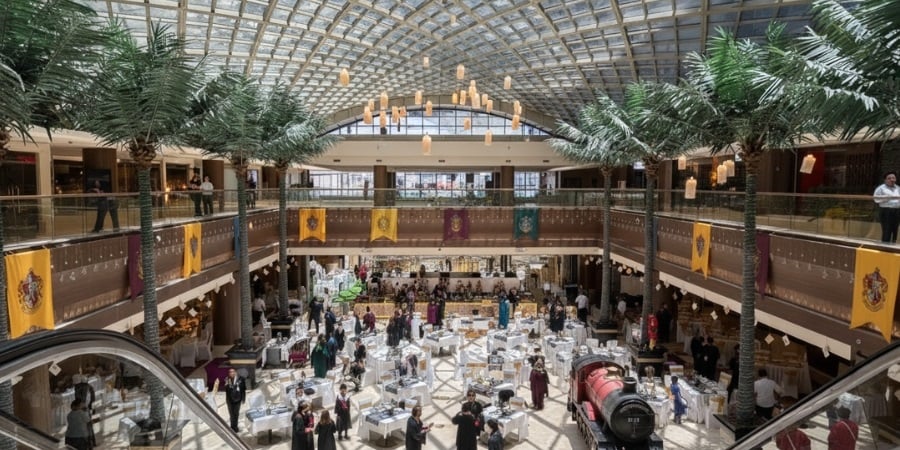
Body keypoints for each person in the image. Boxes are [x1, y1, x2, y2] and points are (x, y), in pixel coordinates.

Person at [874, 171, 900, 242]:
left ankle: (893, 244)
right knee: (887, 229)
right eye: (889, 178)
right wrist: (886, 197)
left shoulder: (898, 188)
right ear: (885, 180)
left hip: (897, 211)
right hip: (886, 211)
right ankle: (885, 245)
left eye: (893, 178)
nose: (892, 180)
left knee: (895, 229)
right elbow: (876, 199)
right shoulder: (881, 188)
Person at [73, 375, 96, 446]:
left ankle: (88, 443)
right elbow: (92, 399)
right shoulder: (89, 387)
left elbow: (80, 400)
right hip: (87, 408)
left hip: (83, 409)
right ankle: (92, 442)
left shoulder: (79, 388)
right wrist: (92, 408)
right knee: (89, 426)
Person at [224, 368, 246, 432]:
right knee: (231, 414)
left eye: (233, 372)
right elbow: (226, 390)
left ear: (235, 372)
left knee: (236, 413)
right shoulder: (227, 379)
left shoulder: (241, 379)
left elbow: (243, 389)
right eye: (230, 372)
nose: (231, 373)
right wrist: (226, 385)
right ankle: (232, 427)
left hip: (238, 399)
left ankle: (235, 427)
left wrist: (243, 398)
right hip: (229, 400)